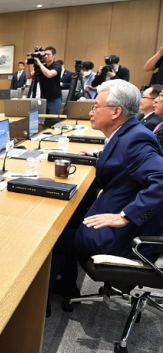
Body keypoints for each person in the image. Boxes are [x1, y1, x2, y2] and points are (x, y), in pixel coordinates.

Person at [48, 79, 163, 314]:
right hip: (109, 212)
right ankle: (68, 287)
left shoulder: (135, 140)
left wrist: (127, 216)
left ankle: (41, 304)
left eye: (95, 107)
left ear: (115, 111)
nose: (91, 112)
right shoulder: (126, 133)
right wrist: (101, 154)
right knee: (66, 218)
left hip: (123, 236)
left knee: (50, 238)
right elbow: (125, 160)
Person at [31, 46, 62, 115]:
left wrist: (40, 64)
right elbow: (29, 76)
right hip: (42, 97)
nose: (46, 56)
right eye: (45, 54)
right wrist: (28, 65)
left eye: (48, 54)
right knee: (41, 119)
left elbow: (49, 74)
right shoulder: (42, 66)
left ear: (54, 56)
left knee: (53, 120)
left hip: (54, 98)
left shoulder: (57, 65)